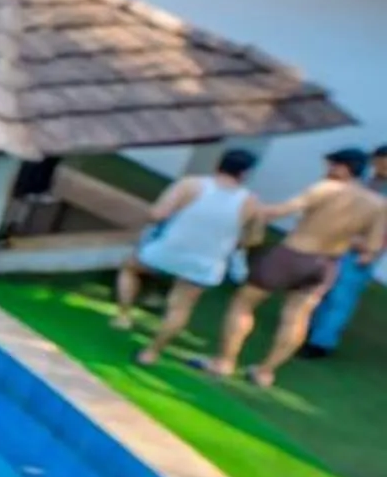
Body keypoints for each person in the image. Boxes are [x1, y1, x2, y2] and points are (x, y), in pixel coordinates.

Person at [209, 146, 387, 389]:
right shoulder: (378, 204)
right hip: (326, 264)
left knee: (243, 303)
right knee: (296, 318)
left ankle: (224, 362)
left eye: (332, 166)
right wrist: (343, 236)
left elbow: (283, 210)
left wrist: (251, 208)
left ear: (343, 169)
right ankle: (265, 373)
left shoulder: (326, 188)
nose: (328, 170)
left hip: (293, 253)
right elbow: (372, 246)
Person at [112, 149, 261, 367]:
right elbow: (253, 239)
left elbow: (157, 214)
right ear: (245, 174)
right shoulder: (251, 202)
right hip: (205, 262)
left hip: (167, 250)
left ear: (218, 163)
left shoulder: (191, 185)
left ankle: (124, 315)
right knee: (180, 307)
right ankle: (151, 353)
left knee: (130, 268)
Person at [300, 143, 387, 359]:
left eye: (380, 162)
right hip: (338, 241)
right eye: (375, 161)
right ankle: (306, 330)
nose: (376, 166)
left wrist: (371, 252)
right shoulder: (367, 182)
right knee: (319, 286)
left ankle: (320, 342)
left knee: (341, 295)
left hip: (361, 251)